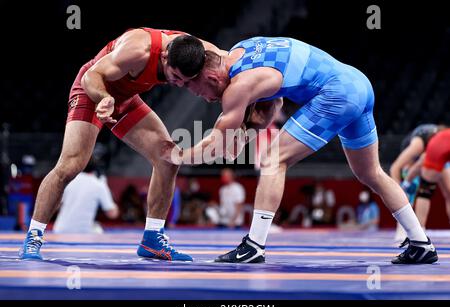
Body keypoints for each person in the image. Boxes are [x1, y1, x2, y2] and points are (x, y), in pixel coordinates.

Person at [164, 36, 438, 264]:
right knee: (372, 172)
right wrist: (246, 135)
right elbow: (274, 104)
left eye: (193, 87)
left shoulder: (239, 87)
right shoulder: (243, 49)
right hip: (358, 83)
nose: (198, 95)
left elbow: (216, 145)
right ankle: (421, 243)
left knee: (273, 160)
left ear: (211, 76)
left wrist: (177, 156)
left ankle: (254, 246)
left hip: (337, 92)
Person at [19, 28, 223, 261]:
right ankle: (33, 236)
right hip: (93, 89)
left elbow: (231, 62)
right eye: (174, 76)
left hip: (126, 98)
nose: (177, 84)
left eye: (185, 81)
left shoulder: (203, 52)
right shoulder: (137, 48)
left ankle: (153, 239)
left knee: (168, 158)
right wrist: (104, 98)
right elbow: (91, 77)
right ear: (165, 56)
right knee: (71, 165)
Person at [390, 124, 450, 241]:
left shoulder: (438, 143)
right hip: (414, 159)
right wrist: (399, 189)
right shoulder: (418, 144)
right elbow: (395, 168)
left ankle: (418, 232)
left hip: (434, 151)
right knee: (412, 188)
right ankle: (407, 229)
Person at [53, 160, 119, 234]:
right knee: (98, 230)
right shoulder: (99, 184)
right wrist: (107, 189)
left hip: (60, 229)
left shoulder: (68, 181)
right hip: (83, 233)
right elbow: (112, 214)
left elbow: (55, 206)